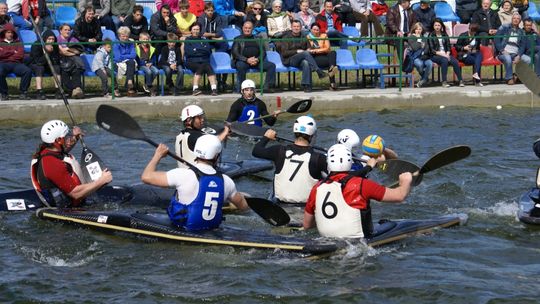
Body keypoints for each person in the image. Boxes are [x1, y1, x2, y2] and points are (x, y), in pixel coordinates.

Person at [302, 144, 413, 238]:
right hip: (358, 241)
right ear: (350, 161)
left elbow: (307, 225)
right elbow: (399, 196)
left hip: (327, 240)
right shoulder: (361, 184)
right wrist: (406, 181)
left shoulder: (317, 188)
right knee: (390, 224)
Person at [141, 136, 248, 231]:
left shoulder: (182, 174)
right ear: (216, 156)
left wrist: (158, 155)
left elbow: (146, 177)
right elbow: (243, 207)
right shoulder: (226, 181)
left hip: (183, 228)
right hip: (212, 230)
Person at [31, 120, 113, 208]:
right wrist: (102, 180)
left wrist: (75, 138)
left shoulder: (48, 151)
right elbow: (76, 193)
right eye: (67, 137)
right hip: (66, 209)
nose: (69, 140)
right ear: (58, 140)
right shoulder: (52, 164)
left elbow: (63, 150)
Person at [252, 115, 327, 205]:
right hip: (306, 209)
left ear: (294, 132)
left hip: (280, 206)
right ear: (312, 136)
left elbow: (256, 151)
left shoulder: (279, 151)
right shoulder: (320, 158)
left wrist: (266, 137)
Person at [277, 20, 327, 92]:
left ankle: (307, 86)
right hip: (290, 59)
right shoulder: (286, 37)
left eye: (298, 26)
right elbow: (284, 53)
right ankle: (318, 71)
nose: (296, 28)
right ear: (291, 27)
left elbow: (309, 48)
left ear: (301, 28)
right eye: (294, 26)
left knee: (306, 63)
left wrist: (310, 49)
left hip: (301, 59)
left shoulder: (304, 36)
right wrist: (296, 51)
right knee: (305, 53)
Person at [232, 21, 277, 93]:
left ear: (252, 29)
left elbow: (263, 52)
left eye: (249, 28)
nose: (247, 30)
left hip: (256, 61)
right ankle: (242, 88)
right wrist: (247, 60)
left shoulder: (258, 38)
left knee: (271, 66)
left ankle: (267, 87)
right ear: (243, 28)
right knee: (240, 66)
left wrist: (257, 59)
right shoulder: (237, 39)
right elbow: (235, 53)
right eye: (246, 28)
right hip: (243, 61)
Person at [182, 23, 218, 96]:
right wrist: (201, 50)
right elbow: (189, 52)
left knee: (208, 67)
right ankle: (195, 89)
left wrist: (196, 50)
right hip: (191, 61)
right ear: (191, 30)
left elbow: (208, 51)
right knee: (202, 66)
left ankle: (214, 89)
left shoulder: (204, 39)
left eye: (197, 29)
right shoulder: (188, 40)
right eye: (194, 29)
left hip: (203, 61)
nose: (196, 31)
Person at [426, 18, 464, 88]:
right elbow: (432, 50)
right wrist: (444, 55)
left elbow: (448, 46)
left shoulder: (444, 35)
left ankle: (460, 80)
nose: (437, 27)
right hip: (435, 55)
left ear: (441, 26)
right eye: (435, 25)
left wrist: (447, 53)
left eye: (439, 25)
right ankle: (444, 81)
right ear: (433, 26)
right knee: (444, 60)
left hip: (446, 54)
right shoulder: (431, 35)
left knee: (455, 61)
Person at [495, 12, 530, 85]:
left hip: (515, 53)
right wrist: (502, 50)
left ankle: (518, 76)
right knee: (508, 58)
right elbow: (496, 39)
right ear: (512, 19)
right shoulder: (504, 27)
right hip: (503, 52)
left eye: (518, 19)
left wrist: (519, 55)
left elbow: (522, 46)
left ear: (520, 21)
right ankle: (509, 78)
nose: (516, 20)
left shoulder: (522, 31)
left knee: (528, 60)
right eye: (514, 18)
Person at [0, 23, 32, 101]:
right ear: (4, 33)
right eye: (8, 32)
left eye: (11, 32)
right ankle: (4, 93)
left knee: (27, 71)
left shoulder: (18, 42)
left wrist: (5, 53)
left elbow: (20, 55)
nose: (10, 34)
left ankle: (23, 92)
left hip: (16, 63)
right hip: (3, 63)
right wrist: (13, 52)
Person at [29, 29, 62, 100]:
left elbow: (56, 60)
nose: (51, 41)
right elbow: (38, 61)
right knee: (40, 68)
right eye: (49, 39)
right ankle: (39, 91)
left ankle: (58, 90)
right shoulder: (36, 45)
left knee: (57, 67)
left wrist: (52, 53)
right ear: (44, 39)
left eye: (53, 39)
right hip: (36, 64)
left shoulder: (55, 45)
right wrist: (47, 52)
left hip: (49, 64)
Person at [57, 23, 85, 99]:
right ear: (60, 31)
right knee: (65, 76)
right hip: (63, 62)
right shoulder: (57, 39)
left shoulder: (73, 39)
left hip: (74, 62)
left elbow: (79, 51)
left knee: (77, 71)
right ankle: (75, 90)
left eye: (69, 30)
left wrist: (68, 49)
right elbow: (62, 52)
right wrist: (73, 52)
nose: (67, 31)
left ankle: (76, 90)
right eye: (65, 30)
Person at [307, 23, 338, 90]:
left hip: (325, 56)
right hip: (315, 58)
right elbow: (309, 50)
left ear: (319, 30)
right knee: (331, 63)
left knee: (333, 52)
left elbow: (328, 48)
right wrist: (319, 51)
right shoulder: (308, 37)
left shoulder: (324, 36)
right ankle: (332, 83)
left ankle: (332, 67)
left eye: (317, 30)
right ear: (311, 30)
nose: (315, 31)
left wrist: (316, 50)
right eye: (314, 30)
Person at [113, 26, 138, 97]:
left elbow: (134, 55)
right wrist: (127, 56)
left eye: (126, 36)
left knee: (131, 62)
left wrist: (123, 56)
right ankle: (130, 87)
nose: (125, 38)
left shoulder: (130, 43)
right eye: (123, 36)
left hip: (129, 63)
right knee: (131, 64)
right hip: (117, 64)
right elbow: (118, 58)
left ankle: (129, 82)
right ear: (119, 36)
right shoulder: (116, 43)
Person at [407, 22, 432, 88]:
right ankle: (425, 78)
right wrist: (419, 41)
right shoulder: (411, 37)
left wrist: (423, 52)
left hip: (424, 56)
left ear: (422, 30)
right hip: (415, 57)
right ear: (414, 30)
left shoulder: (424, 37)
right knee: (419, 64)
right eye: (417, 29)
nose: (418, 31)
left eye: (420, 29)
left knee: (430, 63)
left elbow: (426, 47)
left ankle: (423, 80)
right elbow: (415, 48)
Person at [136, 31, 159, 96]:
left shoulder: (151, 48)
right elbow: (137, 59)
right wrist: (144, 63)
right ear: (140, 39)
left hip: (150, 64)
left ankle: (147, 84)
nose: (145, 41)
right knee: (148, 72)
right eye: (144, 39)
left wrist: (151, 62)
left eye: (146, 39)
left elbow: (154, 58)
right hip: (141, 65)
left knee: (156, 71)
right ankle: (149, 86)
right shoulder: (137, 48)